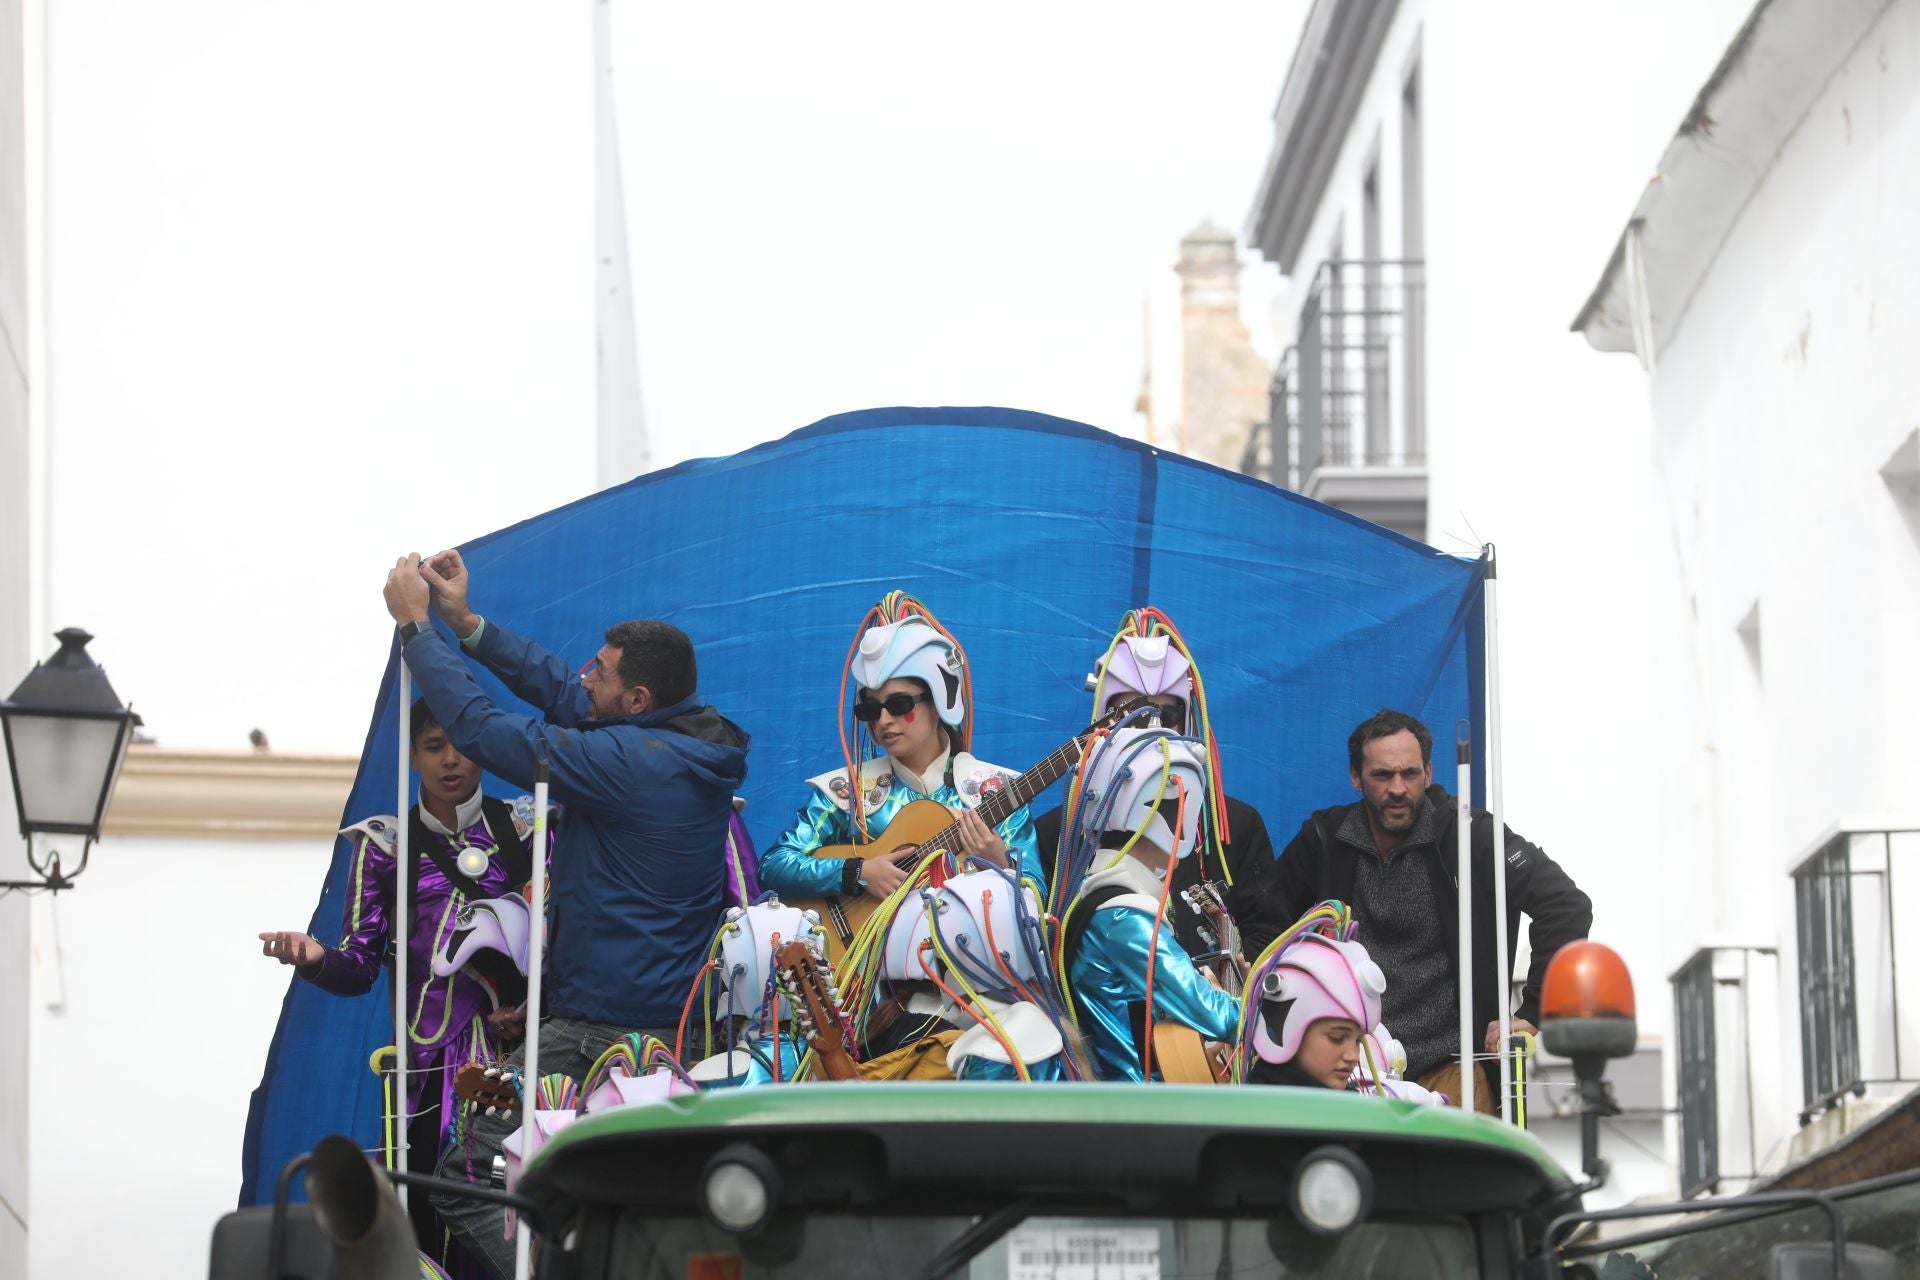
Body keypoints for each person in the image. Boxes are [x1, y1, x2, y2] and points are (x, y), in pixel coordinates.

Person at [383, 549, 749, 1279]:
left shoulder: (632, 765)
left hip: (599, 1032)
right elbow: (565, 694)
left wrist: (419, 630)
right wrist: (468, 623)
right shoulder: (677, 745)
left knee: (467, 1173)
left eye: (602, 672)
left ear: (638, 700)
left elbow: (488, 733)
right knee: (620, 1195)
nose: (586, 677)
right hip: (640, 1020)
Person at [258, 700, 531, 1277]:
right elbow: (358, 967)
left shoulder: (528, 827)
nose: (451, 760)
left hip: (522, 1060)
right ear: (413, 755)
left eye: (461, 744)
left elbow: (558, 940)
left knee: (515, 1207)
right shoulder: (385, 848)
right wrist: (314, 959)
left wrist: (532, 1006)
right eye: (434, 747)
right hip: (430, 1072)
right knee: (431, 1208)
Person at [757, 592, 1045, 1054]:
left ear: (940, 702)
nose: (883, 721)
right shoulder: (848, 793)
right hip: (870, 1003)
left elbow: (1037, 896)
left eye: (899, 704)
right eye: (869, 711)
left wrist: (998, 862)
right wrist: (855, 873)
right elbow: (773, 864)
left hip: (979, 1000)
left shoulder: (994, 790)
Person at [1271, 708, 1592, 1114]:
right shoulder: (1322, 840)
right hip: (1351, 1070)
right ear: (1356, 778)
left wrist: (1531, 1012)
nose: (1398, 788)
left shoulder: (1470, 834)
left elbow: (1566, 905)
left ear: (1429, 772)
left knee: (1457, 1178)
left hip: (1454, 1067)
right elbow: (1267, 925)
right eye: (1382, 775)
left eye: (1409, 773)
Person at [1034, 610, 1289, 966]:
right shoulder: (1057, 833)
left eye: (1167, 716)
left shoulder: (1234, 827)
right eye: (1133, 714)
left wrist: (1207, 984)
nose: (1153, 729)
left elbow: (1268, 933)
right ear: (1102, 720)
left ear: (1186, 720)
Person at [1057, 726, 1241, 1082]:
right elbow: (1212, 1014)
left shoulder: (1102, 894)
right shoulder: (1123, 916)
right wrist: (1283, 1010)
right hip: (1131, 1103)